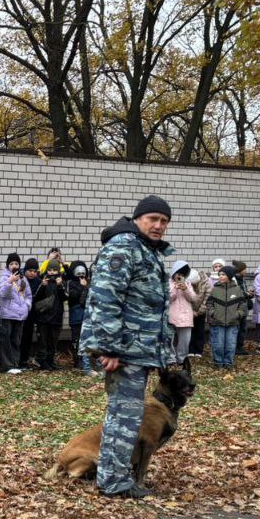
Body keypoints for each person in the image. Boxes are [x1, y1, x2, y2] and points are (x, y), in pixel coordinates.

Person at [79, 195, 175, 499]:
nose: (159, 226)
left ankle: (115, 475)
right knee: (124, 417)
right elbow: (106, 299)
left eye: (164, 221)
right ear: (138, 219)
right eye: (153, 219)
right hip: (124, 350)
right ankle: (113, 481)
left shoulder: (147, 249)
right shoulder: (123, 247)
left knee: (128, 417)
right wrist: (107, 349)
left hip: (139, 349)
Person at [207, 266, 247, 371]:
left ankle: (228, 363)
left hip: (232, 323)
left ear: (229, 276)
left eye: (223, 274)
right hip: (217, 322)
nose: (220, 276)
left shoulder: (237, 290)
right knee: (218, 344)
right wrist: (213, 313)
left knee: (230, 344)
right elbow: (209, 303)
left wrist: (238, 314)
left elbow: (243, 305)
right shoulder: (215, 289)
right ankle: (218, 363)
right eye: (219, 274)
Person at [0, 254, 31, 374]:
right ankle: (6, 365)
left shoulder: (23, 279)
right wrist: (9, 282)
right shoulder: (4, 278)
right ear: (8, 266)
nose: (14, 266)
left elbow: (28, 295)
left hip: (20, 315)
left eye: (16, 264)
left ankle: (15, 364)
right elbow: (2, 294)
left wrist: (26, 306)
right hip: (7, 315)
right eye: (11, 264)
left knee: (16, 341)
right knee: (6, 341)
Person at [31, 258, 65, 371]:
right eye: (50, 269)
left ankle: (51, 361)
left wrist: (60, 286)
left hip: (56, 318)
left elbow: (65, 297)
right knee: (43, 342)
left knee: (53, 342)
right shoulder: (42, 280)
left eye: (54, 270)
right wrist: (43, 285)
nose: (52, 272)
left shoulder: (61, 281)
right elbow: (35, 298)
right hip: (43, 318)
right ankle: (43, 362)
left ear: (58, 271)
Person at [167, 261, 199, 365]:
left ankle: (182, 359)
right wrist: (175, 289)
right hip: (171, 315)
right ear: (174, 273)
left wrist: (185, 289)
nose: (179, 276)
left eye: (182, 275)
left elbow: (193, 298)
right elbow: (167, 299)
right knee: (168, 339)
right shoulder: (168, 284)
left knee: (185, 341)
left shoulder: (188, 284)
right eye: (178, 274)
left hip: (185, 316)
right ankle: (170, 359)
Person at [65, 261, 92, 373]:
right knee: (76, 340)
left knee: (86, 340)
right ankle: (77, 361)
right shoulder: (71, 283)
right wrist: (83, 287)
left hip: (87, 317)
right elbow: (75, 297)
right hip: (76, 316)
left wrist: (86, 286)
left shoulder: (88, 282)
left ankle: (86, 362)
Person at [188, 264, 213, 358]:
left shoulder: (207, 282)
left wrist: (198, 312)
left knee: (200, 330)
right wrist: (191, 311)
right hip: (190, 311)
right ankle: (190, 349)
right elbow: (187, 298)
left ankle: (198, 350)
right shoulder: (187, 282)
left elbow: (207, 299)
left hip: (201, 311)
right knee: (190, 330)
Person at [231, 260, 253, 355]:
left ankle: (240, 346)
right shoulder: (234, 280)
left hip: (244, 307)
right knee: (238, 328)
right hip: (238, 308)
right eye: (244, 269)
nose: (246, 271)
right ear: (240, 270)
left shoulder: (242, 280)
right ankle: (236, 347)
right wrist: (247, 294)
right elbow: (237, 293)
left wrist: (249, 294)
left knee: (243, 328)